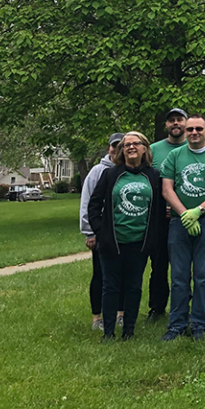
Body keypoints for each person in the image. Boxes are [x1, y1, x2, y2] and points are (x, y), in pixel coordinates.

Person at [87, 131, 166, 342]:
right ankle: (109, 332)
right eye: (126, 144)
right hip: (113, 242)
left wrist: (154, 239)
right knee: (110, 287)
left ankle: (129, 331)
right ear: (122, 150)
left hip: (139, 243)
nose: (131, 147)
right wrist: (100, 232)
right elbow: (93, 206)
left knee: (133, 287)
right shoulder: (111, 174)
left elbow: (158, 212)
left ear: (144, 149)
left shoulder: (154, 176)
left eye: (135, 144)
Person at [159, 114, 205, 340]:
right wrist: (184, 214)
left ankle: (199, 324)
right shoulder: (175, 155)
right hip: (179, 223)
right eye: (190, 129)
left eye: (199, 129)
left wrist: (198, 211)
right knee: (179, 276)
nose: (194, 133)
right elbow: (167, 190)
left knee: (203, 274)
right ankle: (176, 324)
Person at [146, 108, 188, 321]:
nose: (175, 123)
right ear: (166, 126)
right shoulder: (153, 150)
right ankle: (157, 307)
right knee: (159, 264)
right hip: (161, 217)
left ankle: (186, 305)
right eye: (171, 120)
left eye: (179, 120)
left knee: (186, 265)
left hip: (188, 216)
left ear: (186, 123)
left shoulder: (195, 147)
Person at [80, 133, 123, 332]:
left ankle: (120, 314)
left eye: (120, 146)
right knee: (101, 274)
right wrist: (89, 232)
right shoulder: (97, 172)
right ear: (109, 149)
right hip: (101, 233)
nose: (117, 149)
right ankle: (98, 317)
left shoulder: (129, 171)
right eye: (114, 146)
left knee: (123, 274)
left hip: (123, 232)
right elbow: (88, 202)